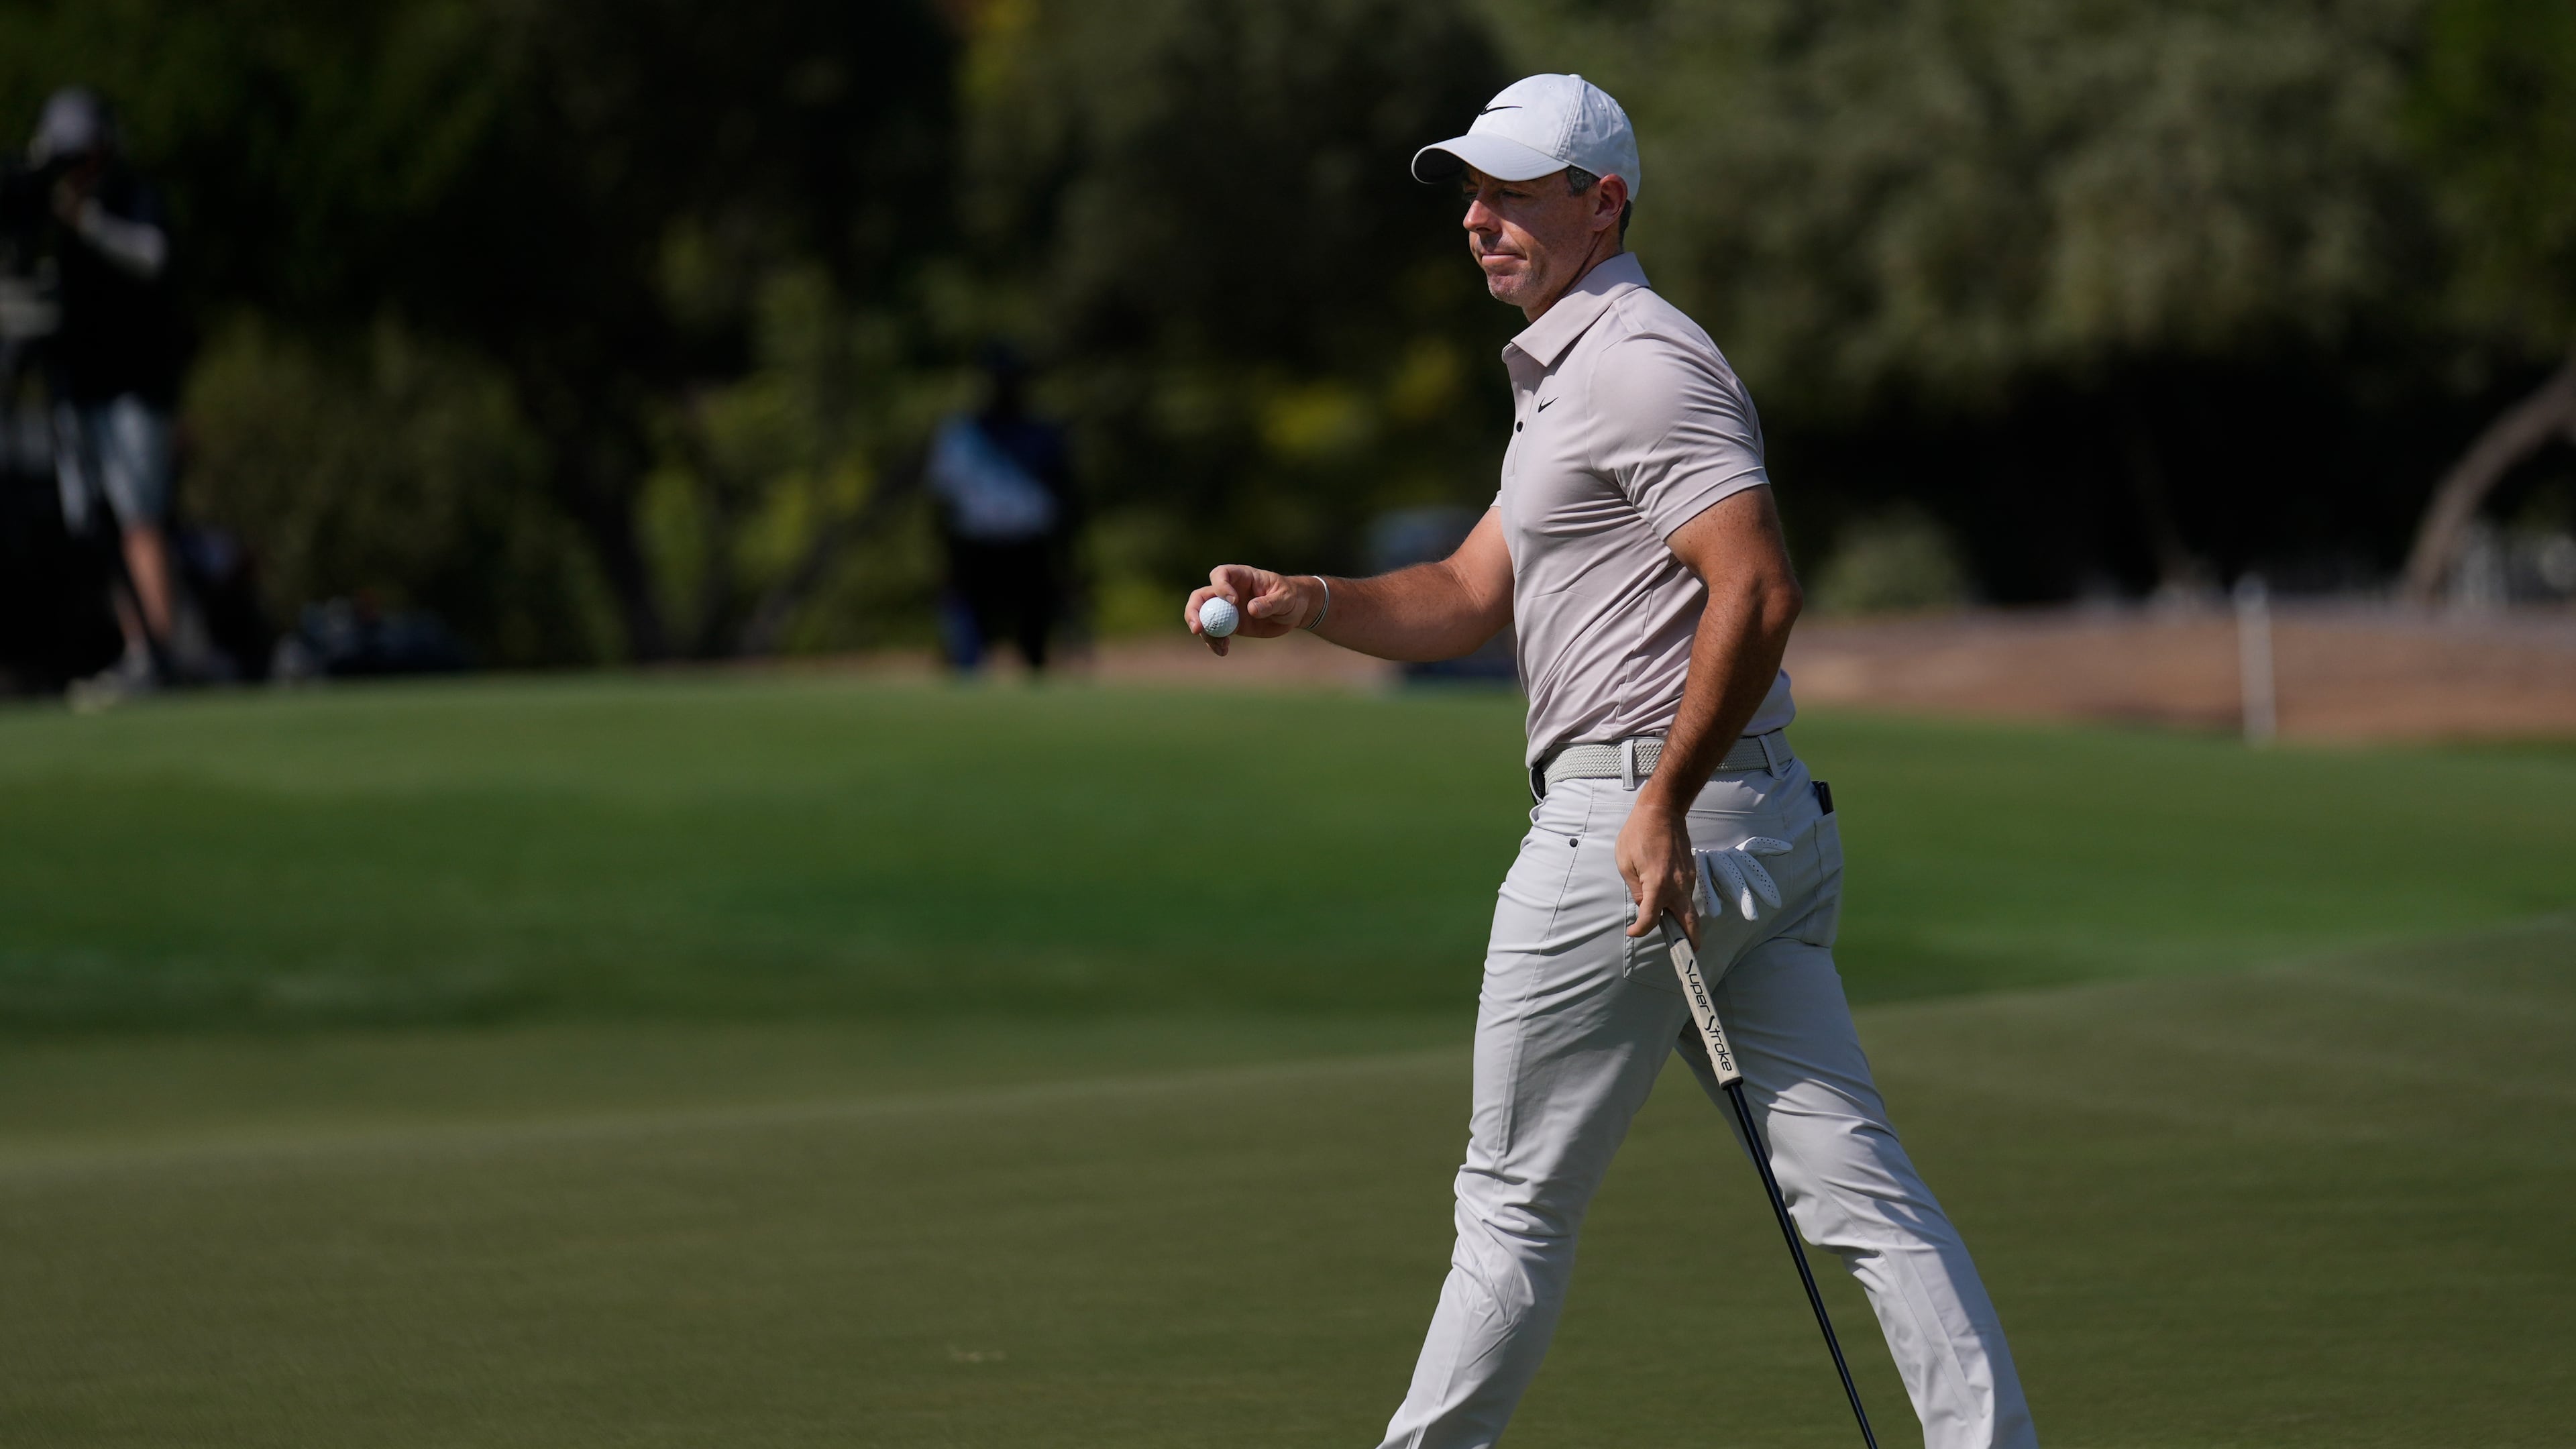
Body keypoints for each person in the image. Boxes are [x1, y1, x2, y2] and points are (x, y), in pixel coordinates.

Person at [1185, 74, 2037, 1449]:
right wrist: (1313, 598)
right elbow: (1471, 593)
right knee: (1865, 1196)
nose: (1479, 220)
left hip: (1639, 835)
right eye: (1473, 193)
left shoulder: (1639, 362)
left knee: (1512, 1208)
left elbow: (1757, 591)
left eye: (1515, 194)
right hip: (1744, 828)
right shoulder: (1562, 377)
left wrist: (1659, 803)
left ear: (1603, 202)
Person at [32, 87, 186, 690]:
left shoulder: (134, 197)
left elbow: (153, 258)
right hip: (79, 383)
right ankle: (137, 646)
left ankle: (159, 653)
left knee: (138, 518)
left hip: (135, 386)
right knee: (98, 522)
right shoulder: (45, 211)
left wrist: (87, 224)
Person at [925, 344, 1079, 673]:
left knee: (1034, 648)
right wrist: (943, 557)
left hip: (1029, 547)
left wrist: (1068, 558)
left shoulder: (1043, 433)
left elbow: (1066, 496)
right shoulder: (961, 434)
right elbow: (941, 501)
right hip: (974, 547)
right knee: (968, 649)